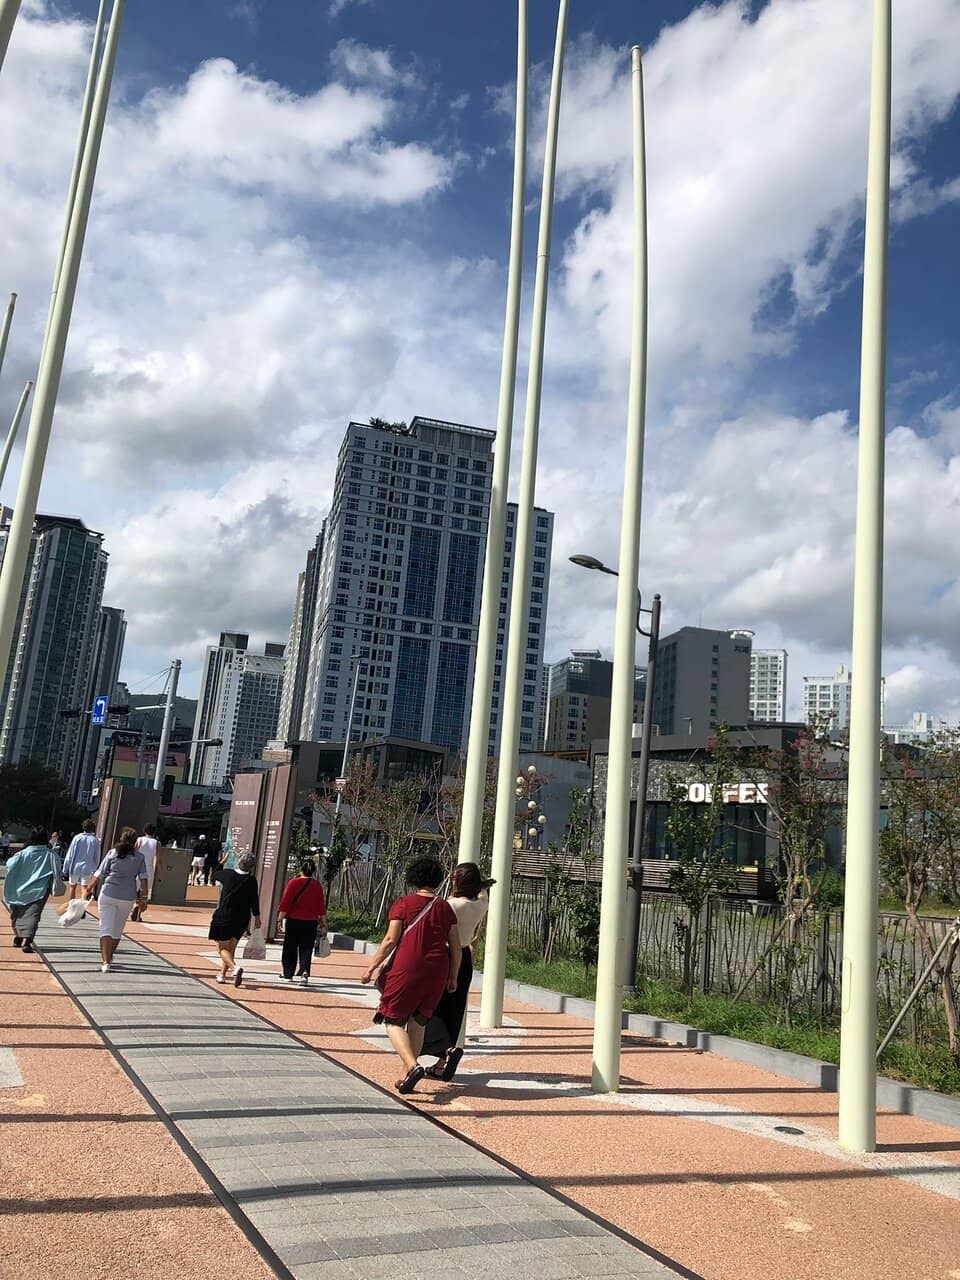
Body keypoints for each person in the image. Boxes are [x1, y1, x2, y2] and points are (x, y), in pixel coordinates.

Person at [361, 855, 461, 1095]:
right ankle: (406, 1075)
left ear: (413, 877)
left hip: (407, 968)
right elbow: (455, 947)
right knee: (419, 1022)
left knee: (392, 1019)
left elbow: (390, 940)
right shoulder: (444, 907)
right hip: (437, 971)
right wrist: (453, 976)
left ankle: (413, 1066)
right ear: (437, 879)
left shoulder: (404, 904)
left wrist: (371, 967)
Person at [422, 862, 494, 1082]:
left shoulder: (450, 905)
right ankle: (444, 1059)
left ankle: (437, 1051)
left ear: (458, 882)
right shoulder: (482, 905)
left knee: (433, 1006)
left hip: (446, 956)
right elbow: (482, 893)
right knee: (455, 1009)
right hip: (464, 960)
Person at [85, 826, 148, 973]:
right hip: (128, 897)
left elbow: (99, 873)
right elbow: (144, 879)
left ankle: (106, 961)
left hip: (108, 893)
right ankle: (110, 956)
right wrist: (143, 898)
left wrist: (88, 889)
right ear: (135, 843)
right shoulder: (139, 858)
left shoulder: (112, 853)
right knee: (117, 929)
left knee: (105, 928)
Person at [209, 852, 261, 987]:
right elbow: (254, 900)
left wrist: (222, 861)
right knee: (231, 947)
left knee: (221, 949)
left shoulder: (228, 874)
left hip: (224, 916)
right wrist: (257, 917)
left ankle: (235, 968)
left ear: (239, 862)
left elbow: (214, 874)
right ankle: (221, 975)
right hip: (242, 918)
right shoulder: (251, 880)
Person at [3, 828, 56, 954]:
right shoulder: (50, 854)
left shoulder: (23, 853)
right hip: (40, 890)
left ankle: (18, 936)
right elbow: (58, 868)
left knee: (16, 914)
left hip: (19, 889)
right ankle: (27, 939)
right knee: (33, 915)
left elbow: (9, 865)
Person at [277, 858, 327, 985]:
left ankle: (288, 973)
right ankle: (304, 972)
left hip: (293, 920)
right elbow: (321, 906)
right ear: (313, 871)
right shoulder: (317, 886)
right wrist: (323, 922)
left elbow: (285, 902)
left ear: (301, 869)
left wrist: (280, 919)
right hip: (310, 922)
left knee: (290, 947)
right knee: (306, 948)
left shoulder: (293, 883)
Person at [63, 820, 101, 900]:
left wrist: (65, 868)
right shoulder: (95, 840)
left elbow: (70, 854)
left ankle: (71, 905)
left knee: (72, 886)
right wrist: (95, 867)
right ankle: (82, 907)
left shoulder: (77, 838)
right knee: (84, 888)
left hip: (75, 866)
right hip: (87, 867)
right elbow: (97, 856)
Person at [132, 825, 159, 919]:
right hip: (149, 868)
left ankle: (135, 904)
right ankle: (139, 914)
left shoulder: (139, 840)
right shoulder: (156, 843)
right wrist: (159, 872)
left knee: (135, 888)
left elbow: (134, 852)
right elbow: (159, 859)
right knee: (145, 891)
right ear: (154, 832)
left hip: (137, 867)